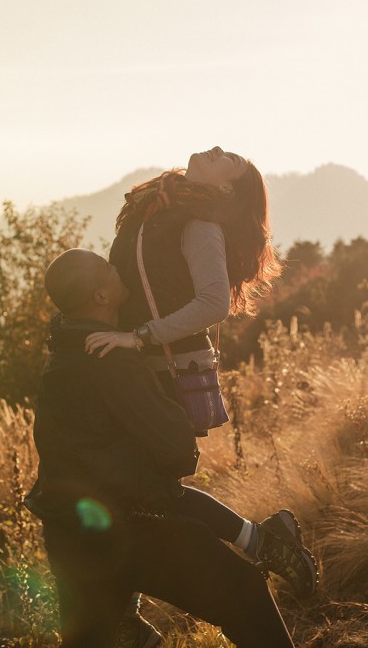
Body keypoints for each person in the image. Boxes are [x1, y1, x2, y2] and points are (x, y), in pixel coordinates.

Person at [24, 248, 296, 647]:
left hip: (68, 538)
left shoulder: (63, 354)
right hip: (134, 531)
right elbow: (176, 451)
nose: (118, 270)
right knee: (243, 595)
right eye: (109, 269)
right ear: (100, 297)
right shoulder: (112, 361)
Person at [83, 147, 319, 603]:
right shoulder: (155, 208)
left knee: (148, 493)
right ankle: (260, 545)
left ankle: (260, 550)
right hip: (141, 370)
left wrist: (139, 336)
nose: (216, 149)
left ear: (226, 186)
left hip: (169, 371)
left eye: (228, 158)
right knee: (135, 496)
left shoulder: (199, 224)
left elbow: (213, 304)